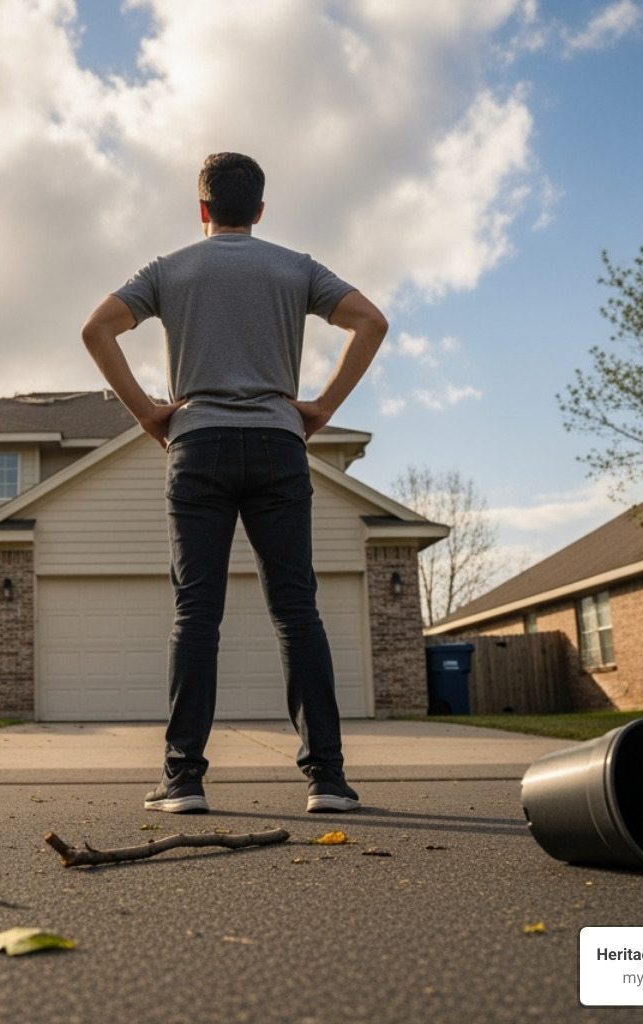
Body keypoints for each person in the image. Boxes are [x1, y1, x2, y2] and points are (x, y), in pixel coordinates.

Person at [81, 152, 389, 814]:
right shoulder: (297, 267)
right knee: (296, 608)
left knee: (197, 611)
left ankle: (184, 779)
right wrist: (322, 407)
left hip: (196, 444)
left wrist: (145, 413)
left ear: (202, 209)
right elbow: (371, 321)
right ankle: (328, 780)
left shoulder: (168, 269)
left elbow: (96, 328)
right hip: (280, 444)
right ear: (259, 210)